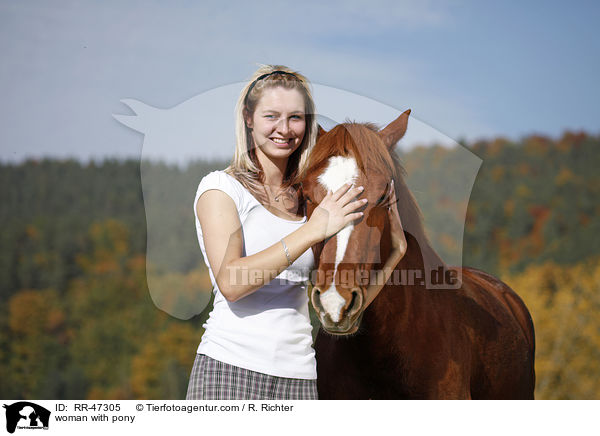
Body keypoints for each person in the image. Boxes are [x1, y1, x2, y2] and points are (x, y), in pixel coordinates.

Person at [186, 65, 405, 400]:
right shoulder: (221, 188)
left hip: (299, 379)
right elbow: (231, 283)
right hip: (229, 371)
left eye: (295, 118)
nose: (284, 129)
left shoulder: (310, 202)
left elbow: (342, 305)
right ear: (248, 119)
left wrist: (396, 250)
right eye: (271, 116)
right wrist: (313, 231)